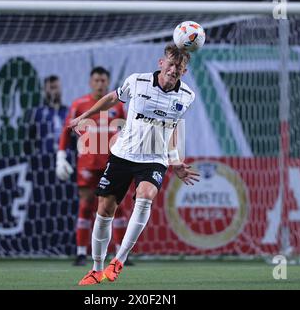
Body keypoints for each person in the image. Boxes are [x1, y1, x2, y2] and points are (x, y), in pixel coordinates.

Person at [69, 44, 201, 285]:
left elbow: (171, 130)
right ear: (161, 63)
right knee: (105, 210)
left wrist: (176, 161)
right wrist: (83, 116)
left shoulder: (187, 96)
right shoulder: (137, 81)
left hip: (153, 158)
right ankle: (97, 268)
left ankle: (119, 260)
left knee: (145, 195)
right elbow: (111, 99)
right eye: (170, 64)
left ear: (184, 71)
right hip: (123, 154)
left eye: (179, 67)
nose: (173, 70)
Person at [57, 67, 132, 266]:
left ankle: (120, 254)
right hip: (87, 164)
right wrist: (61, 156)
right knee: (86, 206)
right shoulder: (79, 104)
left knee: (117, 207)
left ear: (108, 83)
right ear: (91, 82)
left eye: (103, 80)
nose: (100, 84)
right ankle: (81, 253)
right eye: (96, 80)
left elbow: (125, 131)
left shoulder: (117, 107)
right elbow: (66, 131)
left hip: (113, 163)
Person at [27, 75, 69, 154]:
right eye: (51, 87)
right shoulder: (37, 113)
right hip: (45, 162)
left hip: (66, 159)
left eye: (56, 87)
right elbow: (29, 141)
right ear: (45, 90)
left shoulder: (68, 112)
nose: (54, 91)